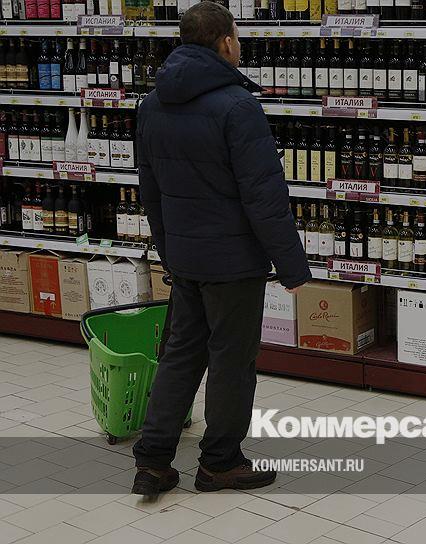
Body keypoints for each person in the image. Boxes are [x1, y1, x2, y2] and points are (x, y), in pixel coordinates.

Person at [132, 2, 311, 496]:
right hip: (233, 263)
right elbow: (264, 196)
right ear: (225, 42)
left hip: (186, 256)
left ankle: (153, 460)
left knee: (180, 355)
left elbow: (150, 190)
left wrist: (170, 250)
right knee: (231, 361)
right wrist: (292, 266)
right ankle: (220, 463)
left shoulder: (152, 104)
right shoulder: (237, 107)